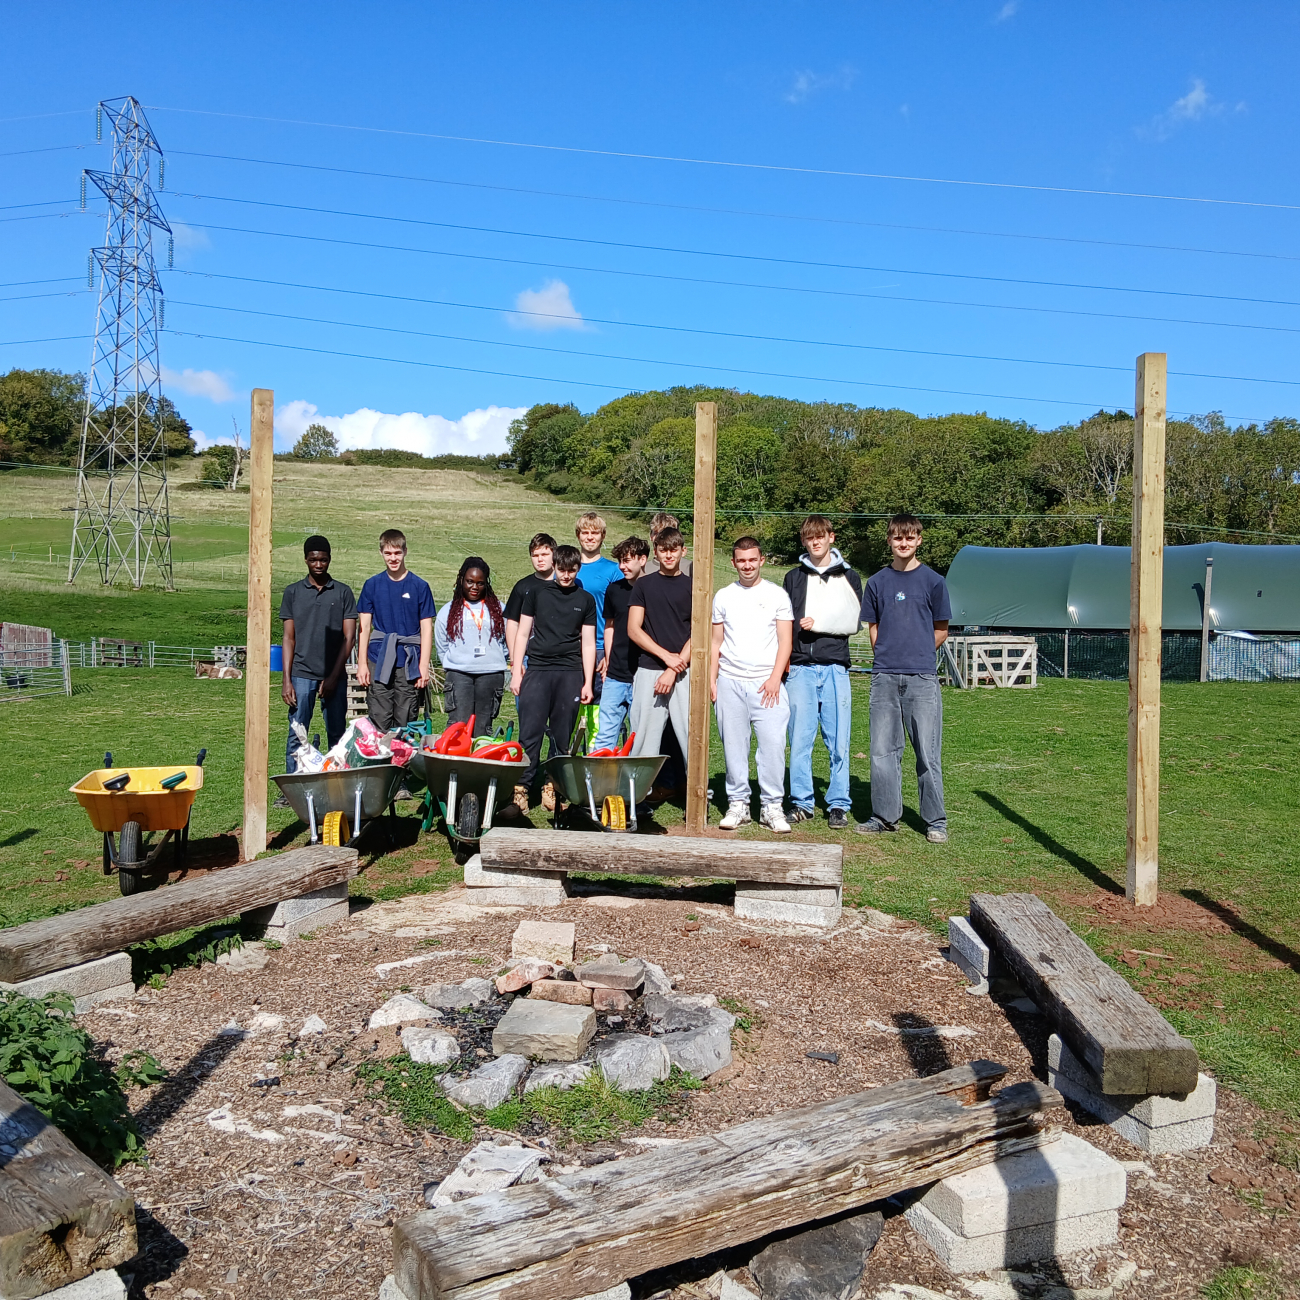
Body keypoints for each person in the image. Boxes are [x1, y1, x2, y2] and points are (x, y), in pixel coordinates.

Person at [856, 513, 951, 843]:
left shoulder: (934, 582)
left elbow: (942, 630)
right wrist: (886, 655)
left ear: (919, 540)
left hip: (922, 678)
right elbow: (873, 627)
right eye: (898, 538)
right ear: (890, 541)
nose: (904, 543)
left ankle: (935, 820)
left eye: (910, 538)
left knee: (927, 752)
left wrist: (919, 652)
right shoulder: (878, 582)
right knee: (883, 751)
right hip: (884, 677)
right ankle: (884, 816)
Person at [782, 515, 863, 830]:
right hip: (801, 669)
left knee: (838, 740)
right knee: (799, 739)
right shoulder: (793, 577)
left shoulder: (849, 577)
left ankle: (839, 804)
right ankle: (802, 803)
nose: (815, 542)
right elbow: (785, 621)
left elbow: (852, 621)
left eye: (820, 536)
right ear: (804, 541)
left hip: (834, 668)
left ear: (831, 537)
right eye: (809, 538)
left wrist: (820, 623)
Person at [710, 537, 794, 833]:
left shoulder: (777, 595)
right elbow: (715, 642)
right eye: (741, 560)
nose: (747, 565)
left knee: (772, 747)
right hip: (730, 681)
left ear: (762, 560)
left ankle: (772, 806)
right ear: (733, 562)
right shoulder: (723, 596)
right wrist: (712, 680)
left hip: (766, 684)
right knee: (734, 746)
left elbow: (786, 641)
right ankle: (738, 804)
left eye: (752, 560)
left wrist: (775, 678)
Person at [510, 543, 597, 810]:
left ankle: (553, 785)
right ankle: (522, 788)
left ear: (577, 569)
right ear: (555, 566)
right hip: (537, 670)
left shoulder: (585, 600)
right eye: (562, 569)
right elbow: (523, 634)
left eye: (572, 570)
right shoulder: (536, 593)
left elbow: (588, 643)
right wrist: (516, 672)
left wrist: (588, 682)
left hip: (569, 672)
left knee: (562, 734)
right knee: (530, 731)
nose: (567, 575)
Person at [278, 535, 357, 777]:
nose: (319, 564)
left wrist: (333, 676)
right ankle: (293, 783)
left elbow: (349, 638)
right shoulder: (292, 592)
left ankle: (338, 782)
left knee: (337, 734)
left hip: (334, 674)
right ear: (306, 560)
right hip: (301, 674)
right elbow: (289, 638)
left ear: (329, 560)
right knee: (297, 732)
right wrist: (286, 679)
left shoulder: (343, 593)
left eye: (323, 559)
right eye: (314, 560)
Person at [627, 527, 693, 781]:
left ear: (683, 551)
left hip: (684, 672)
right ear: (656, 553)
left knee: (691, 736)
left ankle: (698, 798)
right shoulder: (643, 585)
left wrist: (674, 666)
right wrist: (666, 658)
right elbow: (634, 629)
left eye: (673, 550)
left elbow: (699, 632)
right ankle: (637, 798)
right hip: (648, 670)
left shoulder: (693, 587)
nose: (668, 555)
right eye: (663, 550)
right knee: (644, 736)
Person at [356, 529, 435, 731]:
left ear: (405, 552)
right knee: (380, 716)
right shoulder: (372, 585)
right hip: (379, 658)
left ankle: (403, 761)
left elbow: (427, 629)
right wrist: (362, 664)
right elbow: (364, 627)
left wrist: (424, 666)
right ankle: (381, 760)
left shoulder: (420, 586)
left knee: (406, 718)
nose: (393, 558)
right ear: (381, 553)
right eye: (388, 553)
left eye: (397, 553)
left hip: (409, 661)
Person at [435, 557, 509, 739]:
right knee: (459, 726)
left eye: (480, 583)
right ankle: (454, 767)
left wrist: (497, 657)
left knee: (483, 728)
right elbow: (441, 644)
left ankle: (480, 766)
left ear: (486, 584)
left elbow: (509, 640)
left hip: (491, 674)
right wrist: (453, 663)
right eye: (470, 581)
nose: (474, 587)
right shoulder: (448, 611)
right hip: (459, 674)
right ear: (461, 580)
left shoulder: (500, 610)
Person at [591, 535, 649, 752]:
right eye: (620, 561)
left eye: (627, 561)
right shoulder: (614, 589)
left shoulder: (652, 588)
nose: (622, 566)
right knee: (605, 733)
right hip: (615, 674)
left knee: (639, 735)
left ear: (642, 560)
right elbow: (610, 627)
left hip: (642, 673)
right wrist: (608, 658)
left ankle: (633, 783)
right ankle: (600, 782)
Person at [504, 532, 557, 664]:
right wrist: (514, 658)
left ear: (554, 555)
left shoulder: (566, 584)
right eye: (535, 555)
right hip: (528, 657)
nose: (540, 559)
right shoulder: (523, 586)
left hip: (560, 658)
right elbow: (512, 623)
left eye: (544, 555)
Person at [644, 512, 693, 577]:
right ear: (651, 536)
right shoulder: (643, 570)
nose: (660, 537)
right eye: (656, 533)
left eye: (665, 533)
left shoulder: (690, 567)